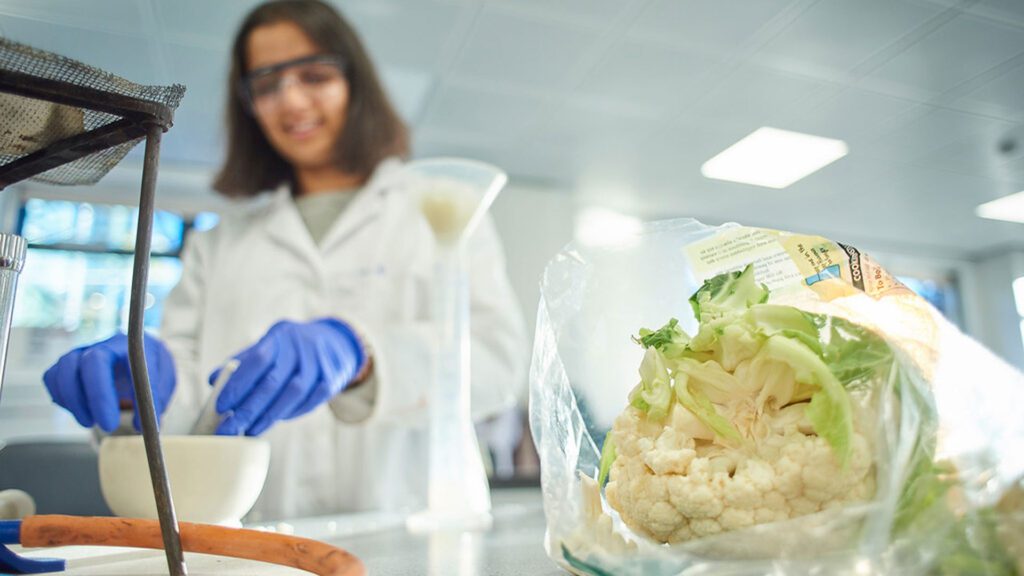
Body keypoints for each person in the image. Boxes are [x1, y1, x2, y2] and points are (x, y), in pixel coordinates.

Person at [41, 0, 527, 521]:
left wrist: (362, 356)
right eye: (267, 84)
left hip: (410, 528)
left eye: (314, 75)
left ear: (355, 83)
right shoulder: (219, 245)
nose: (291, 101)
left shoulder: (439, 211)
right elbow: (194, 403)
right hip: (260, 538)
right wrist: (136, 390)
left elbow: (498, 366)